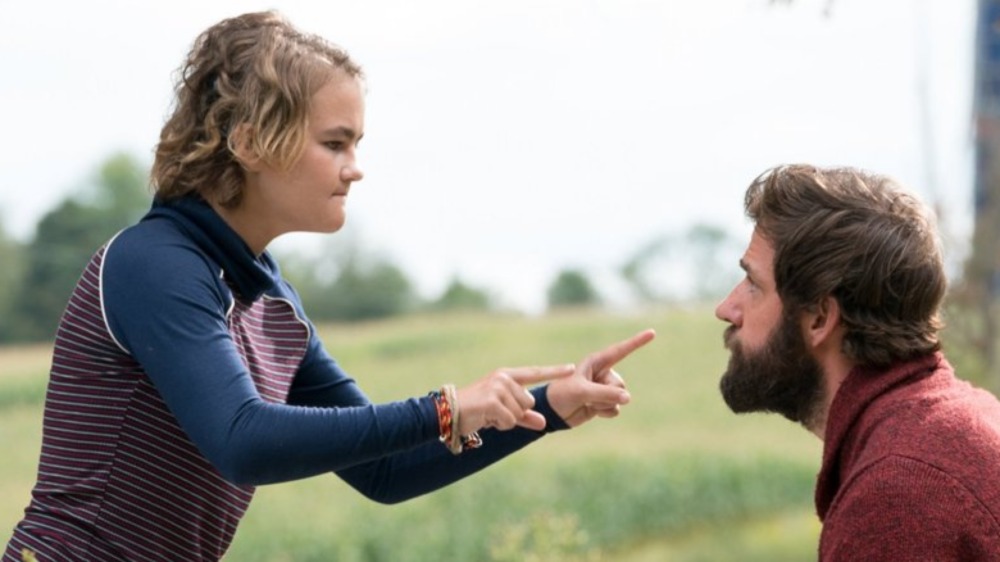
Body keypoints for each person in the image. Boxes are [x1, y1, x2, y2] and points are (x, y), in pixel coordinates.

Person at [2, 11, 655, 562]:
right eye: (335, 143)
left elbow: (384, 472)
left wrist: (551, 407)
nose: (356, 169)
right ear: (252, 142)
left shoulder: (271, 300)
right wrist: (448, 406)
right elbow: (243, 441)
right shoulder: (155, 264)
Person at [715, 163, 1000, 560]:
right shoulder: (962, 420)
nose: (726, 308)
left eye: (753, 285)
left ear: (819, 318)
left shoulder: (898, 500)